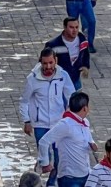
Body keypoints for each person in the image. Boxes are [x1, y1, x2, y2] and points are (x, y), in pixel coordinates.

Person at [19, 48, 76, 187]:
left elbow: (71, 95)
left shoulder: (63, 76)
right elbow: (24, 101)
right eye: (45, 63)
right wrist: (27, 120)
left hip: (58, 122)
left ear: (55, 61)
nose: (48, 66)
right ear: (41, 62)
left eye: (51, 63)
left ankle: (51, 182)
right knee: (44, 155)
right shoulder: (32, 79)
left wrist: (70, 115)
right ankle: (34, 178)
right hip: (40, 123)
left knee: (59, 155)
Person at [37, 91, 97, 186]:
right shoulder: (65, 124)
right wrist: (45, 163)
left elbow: (88, 140)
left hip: (86, 173)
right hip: (70, 178)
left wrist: (92, 145)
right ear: (85, 108)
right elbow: (44, 141)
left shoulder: (85, 122)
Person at [45, 18, 90, 92]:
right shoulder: (53, 45)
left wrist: (85, 66)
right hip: (59, 83)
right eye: (71, 27)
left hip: (75, 80)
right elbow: (44, 63)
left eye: (76, 27)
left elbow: (85, 54)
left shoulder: (82, 40)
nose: (75, 30)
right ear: (65, 27)